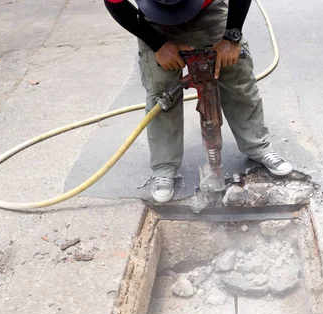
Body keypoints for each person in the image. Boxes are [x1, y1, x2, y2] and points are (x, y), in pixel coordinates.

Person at [104, 0, 293, 202]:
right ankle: (164, 169)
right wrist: (156, 44)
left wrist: (232, 36)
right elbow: (115, 3)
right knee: (162, 93)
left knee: (237, 77)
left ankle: (258, 147)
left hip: (208, 11)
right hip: (155, 23)